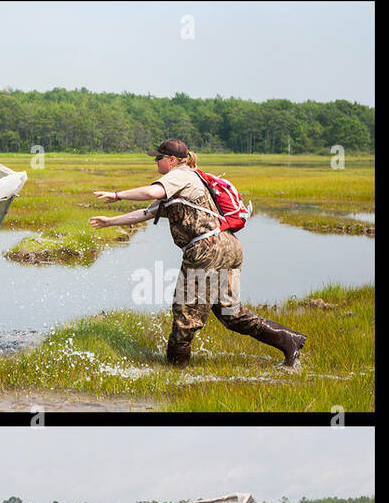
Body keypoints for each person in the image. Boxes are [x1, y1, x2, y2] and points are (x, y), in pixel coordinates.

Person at [88, 138, 307, 369]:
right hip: (227, 246)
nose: (155, 161)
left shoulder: (180, 175)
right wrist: (110, 221)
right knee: (230, 312)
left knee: (185, 313)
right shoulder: (188, 179)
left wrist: (117, 195)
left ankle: (174, 373)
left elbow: (152, 191)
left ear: (172, 160)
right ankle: (289, 340)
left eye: (159, 157)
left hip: (206, 249)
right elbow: (148, 212)